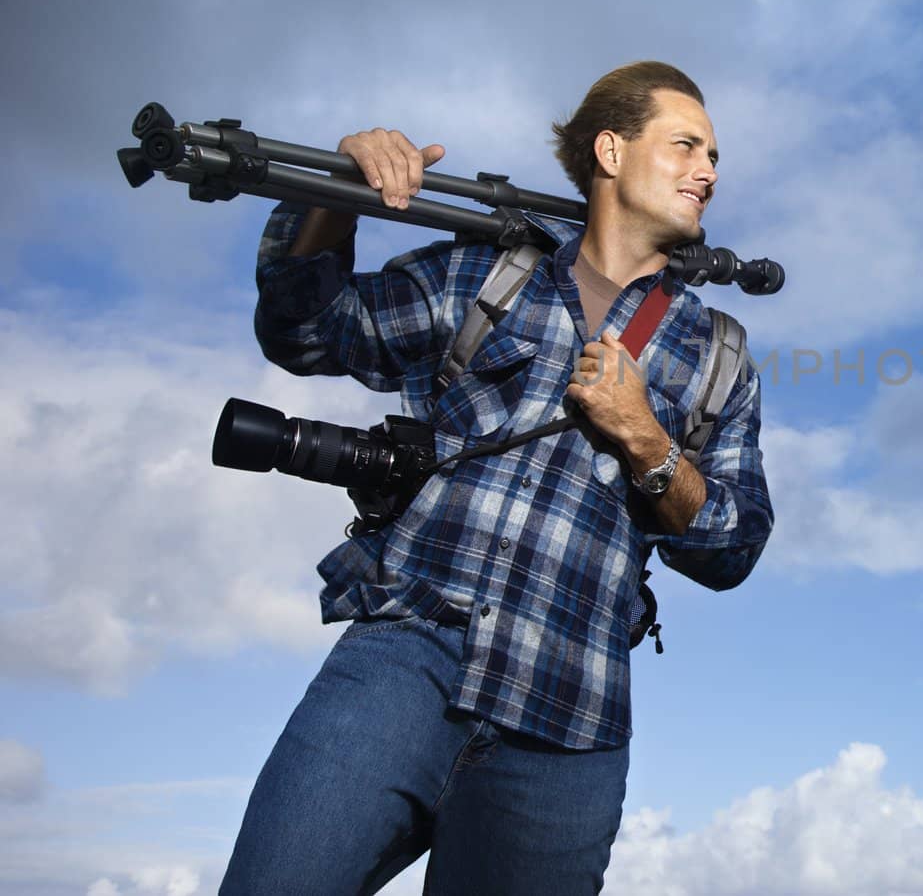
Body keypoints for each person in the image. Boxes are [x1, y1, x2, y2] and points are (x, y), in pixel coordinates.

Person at [220, 61, 773, 895]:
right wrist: (338, 191)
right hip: (409, 654)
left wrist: (650, 443)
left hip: (571, 716)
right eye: (688, 144)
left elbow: (735, 544)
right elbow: (306, 330)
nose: (710, 171)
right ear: (611, 152)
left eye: (716, 155)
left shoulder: (718, 355)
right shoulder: (486, 275)